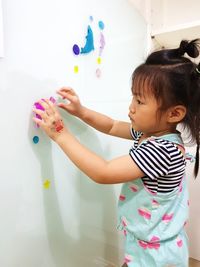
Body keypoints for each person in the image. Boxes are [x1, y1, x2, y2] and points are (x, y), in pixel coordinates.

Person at [33, 39, 200, 267]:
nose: (131, 106)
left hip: (156, 255)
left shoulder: (162, 150)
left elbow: (103, 172)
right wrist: (81, 111)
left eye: (140, 101)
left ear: (174, 114)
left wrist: (61, 134)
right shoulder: (151, 133)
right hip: (149, 243)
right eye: (133, 96)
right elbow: (111, 125)